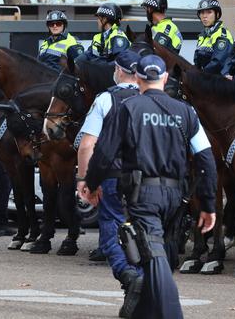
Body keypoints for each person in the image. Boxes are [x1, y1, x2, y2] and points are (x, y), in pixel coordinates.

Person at [80, 55, 217, 319]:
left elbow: (105, 152)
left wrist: (91, 182)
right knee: (153, 253)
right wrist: (208, 203)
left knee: (154, 257)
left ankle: (170, 313)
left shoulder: (128, 107)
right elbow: (205, 158)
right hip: (176, 197)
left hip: (143, 194)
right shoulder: (186, 111)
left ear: (139, 79)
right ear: (165, 78)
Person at [76, 50, 142, 317]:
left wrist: (85, 179)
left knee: (111, 233)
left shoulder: (106, 98)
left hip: (113, 177)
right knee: (146, 235)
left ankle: (129, 277)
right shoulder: (153, 100)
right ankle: (138, 289)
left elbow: (87, 143)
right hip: (149, 180)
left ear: (118, 70)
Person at [193, 0, 234, 75]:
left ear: (217, 14)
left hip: (218, 80)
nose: (204, 16)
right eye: (202, 13)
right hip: (205, 78)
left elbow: (217, 63)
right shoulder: (203, 35)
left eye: (209, 12)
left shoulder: (222, 34)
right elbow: (197, 60)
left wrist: (200, 75)